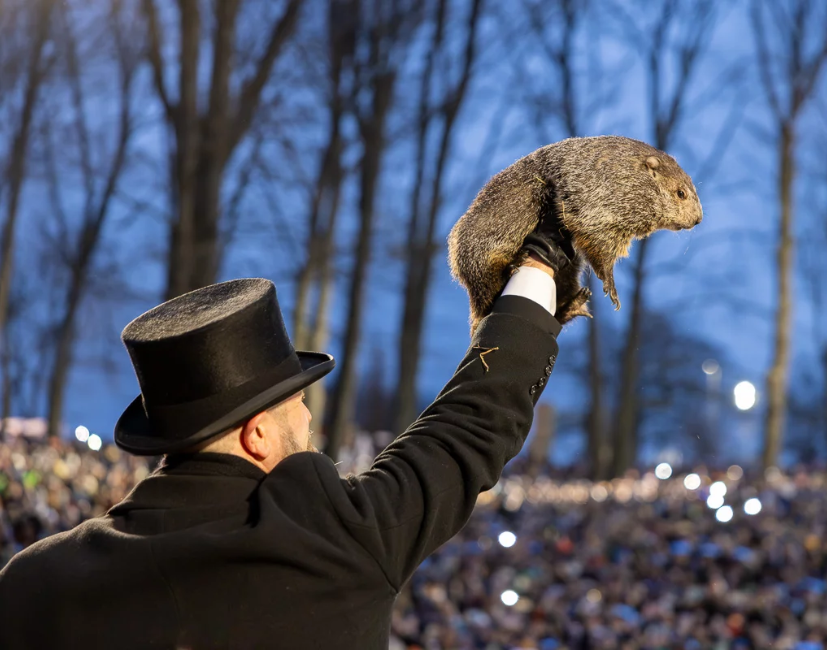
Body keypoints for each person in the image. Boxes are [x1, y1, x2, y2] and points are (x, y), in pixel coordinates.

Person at [0, 225, 575, 649]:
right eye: (297, 403)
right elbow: (469, 426)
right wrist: (539, 268)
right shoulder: (335, 541)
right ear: (256, 436)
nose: (309, 422)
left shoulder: (32, 582)